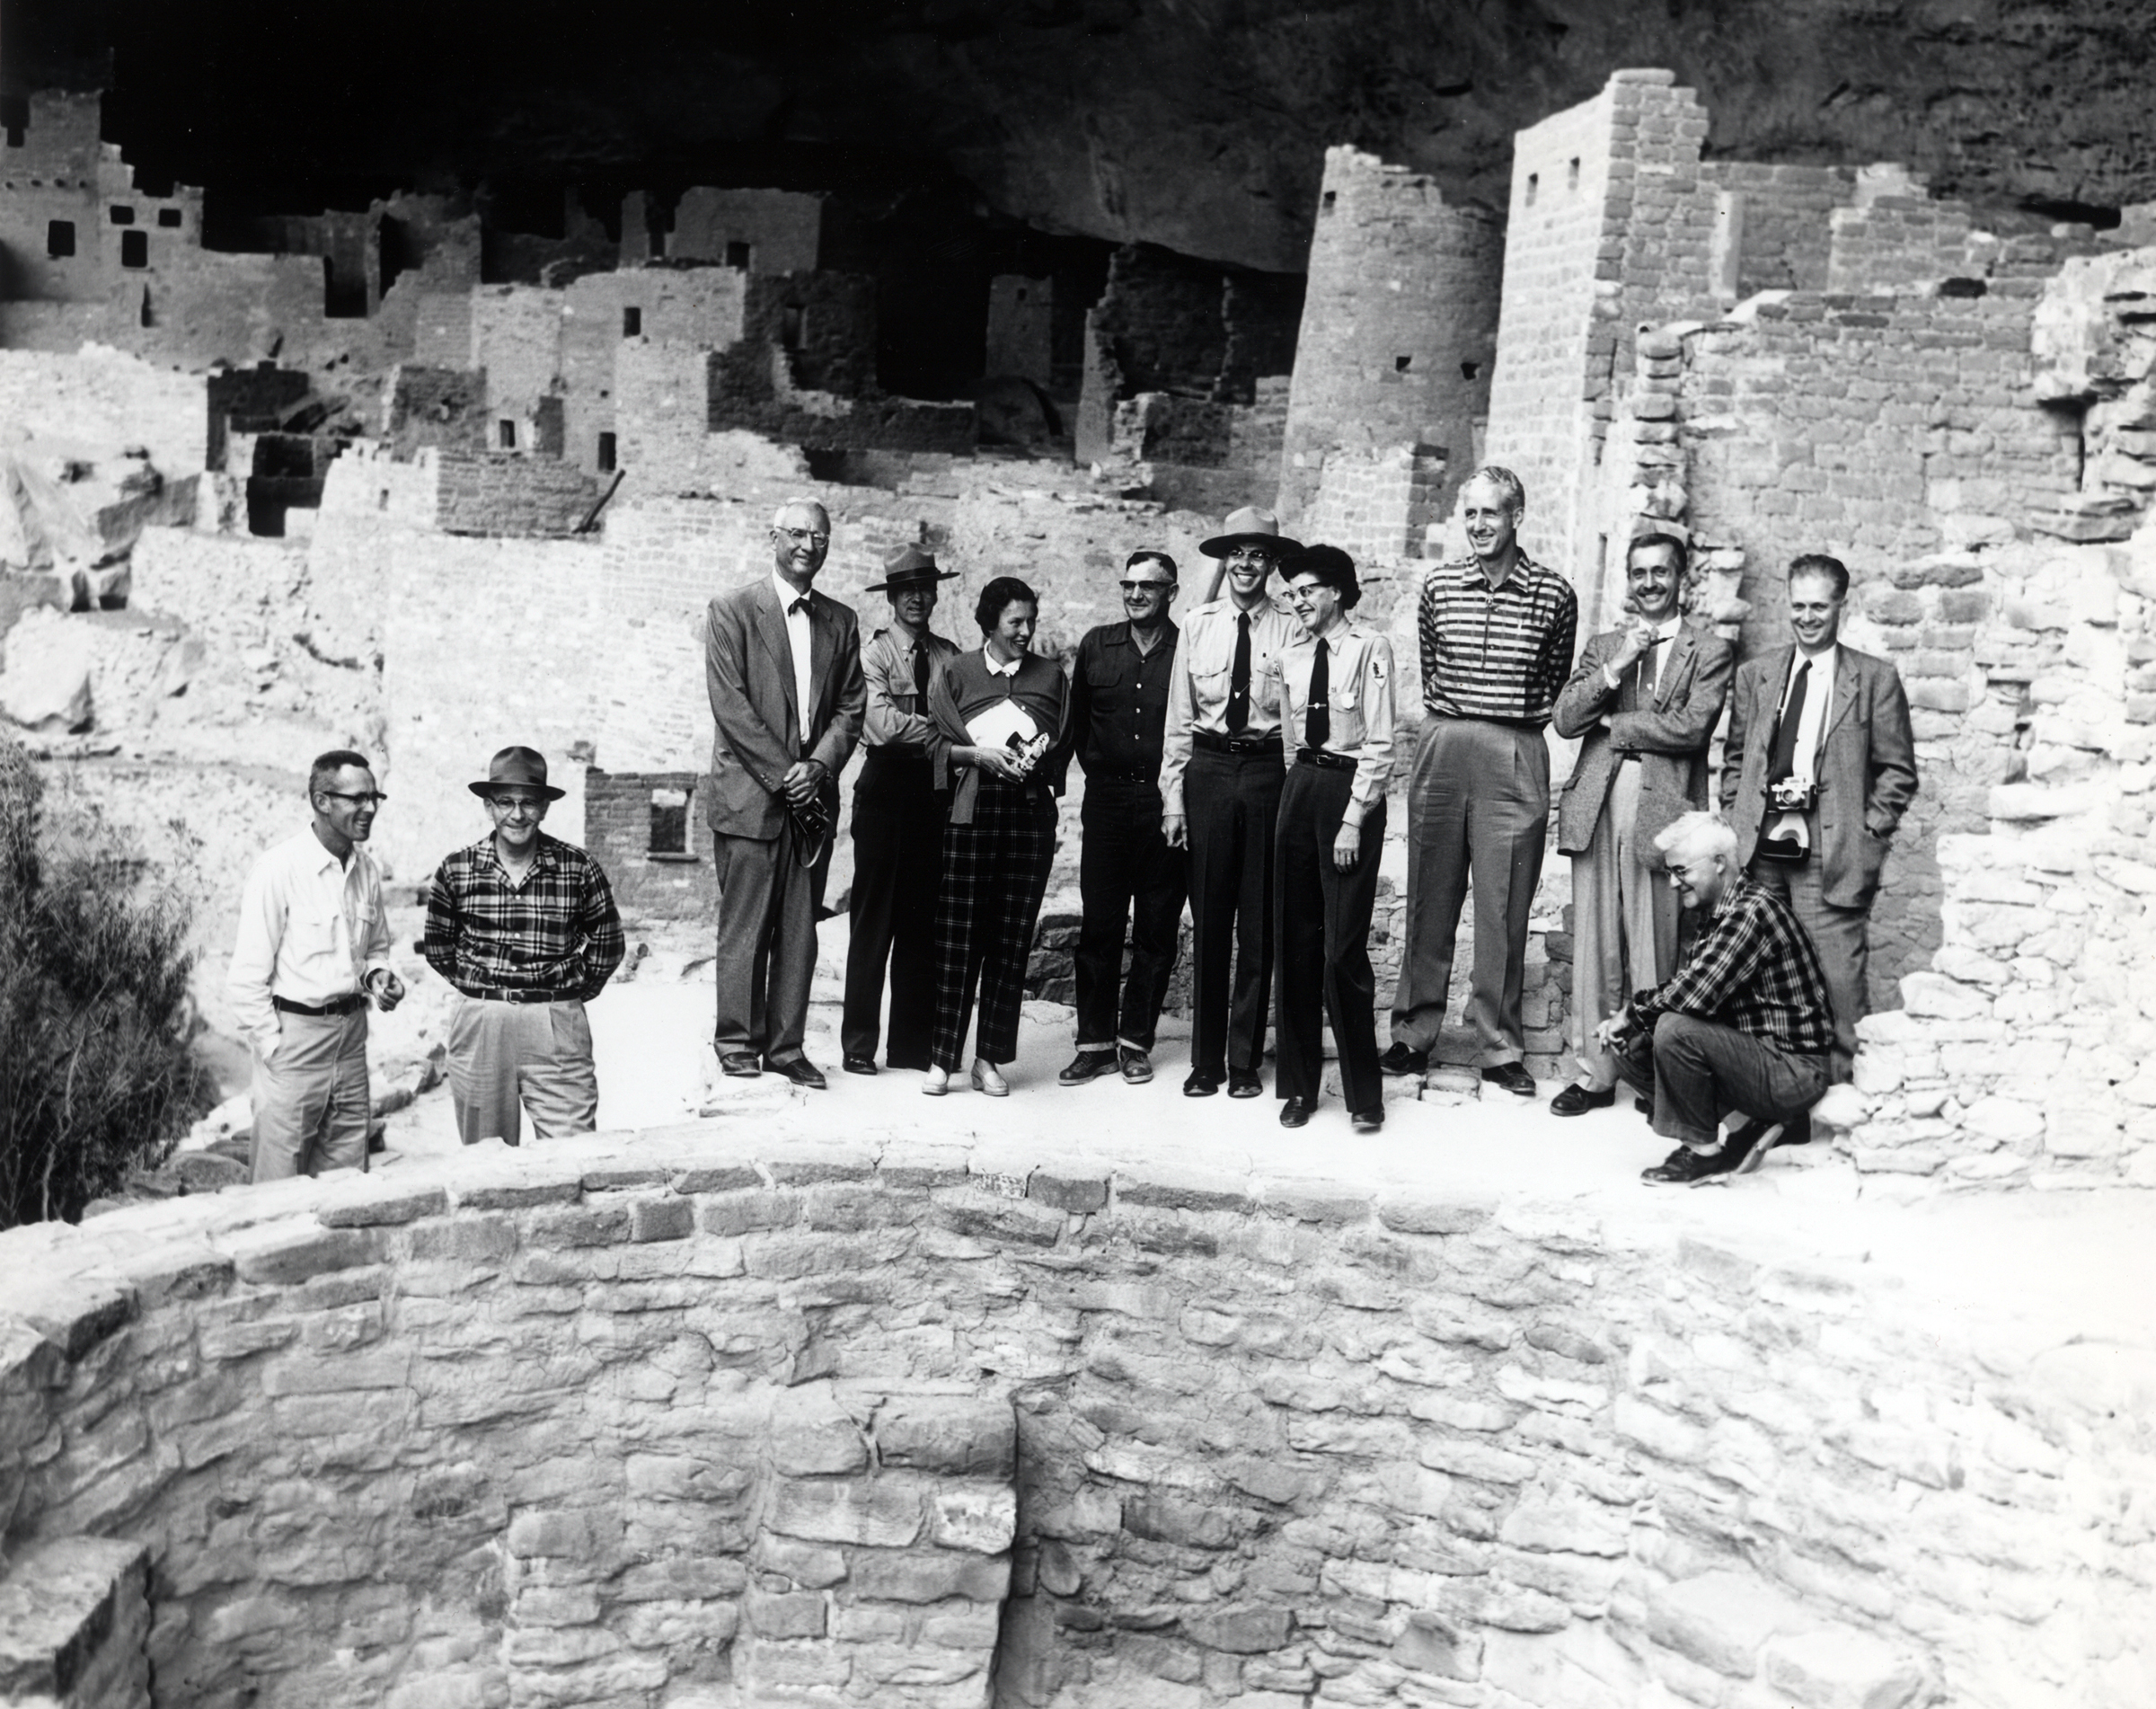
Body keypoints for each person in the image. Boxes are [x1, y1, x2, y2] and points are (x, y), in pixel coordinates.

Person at [1383, 466, 1577, 1097]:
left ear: (1517, 516)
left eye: (1490, 513)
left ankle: (1498, 1046)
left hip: (1515, 747)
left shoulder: (1553, 593)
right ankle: (1414, 1032)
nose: (1478, 526)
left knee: (1505, 903)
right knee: (1430, 894)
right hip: (1445, 743)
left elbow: (1553, 678)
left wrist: (1509, 728)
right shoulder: (1439, 586)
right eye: (1469, 514)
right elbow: (1432, 660)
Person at [1549, 532, 1734, 1115]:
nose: (1649, 582)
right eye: (1639, 572)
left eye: (1661, 571)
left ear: (1682, 579)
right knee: (1596, 942)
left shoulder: (1709, 649)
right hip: (1597, 803)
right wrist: (1617, 666)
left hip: (1663, 806)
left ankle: (1658, 1074)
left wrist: (1619, 726)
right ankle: (1596, 1074)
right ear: (1628, 579)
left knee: (1656, 943)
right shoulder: (1606, 644)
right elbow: (1566, 719)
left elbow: (1693, 727)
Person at [1721, 553, 1917, 1082]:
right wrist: (1736, 821)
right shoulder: (1757, 675)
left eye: (1819, 607)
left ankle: (1840, 1104)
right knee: (1761, 977)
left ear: (1840, 607)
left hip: (1829, 853)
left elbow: (1898, 773)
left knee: (1837, 984)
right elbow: (1738, 759)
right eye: (1798, 606)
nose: (1807, 617)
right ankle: (1772, 1096)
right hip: (1761, 853)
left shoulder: (1874, 680)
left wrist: (1867, 835)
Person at [702, 498, 867, 1091]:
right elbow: (731, 708)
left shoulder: (841, 622)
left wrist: (818, 767)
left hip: (812, 803)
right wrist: (787, 773)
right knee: (745, 925)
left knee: (800, 927)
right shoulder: (732, 611)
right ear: (773, 537)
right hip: (751, 797)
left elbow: (851, 708)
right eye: (796, 534)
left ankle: (787, 1046)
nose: (807, 545)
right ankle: (737, 1042)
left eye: (819, 537)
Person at [1598, 811, 1834, 1184]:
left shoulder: (1750, 911)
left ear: (1719, 863)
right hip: (1760, 1058)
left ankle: (1704, 1154)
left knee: (1673, 1027)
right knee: (1631, 1040)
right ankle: (1747, 1126)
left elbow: (1693, 996)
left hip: (1795, 1072)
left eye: (1681, 871)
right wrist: (1632, 1022)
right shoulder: (1719, 913)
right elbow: (1693, 994)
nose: (1674, 884)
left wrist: (1631, 1010)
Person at [1158, 506, 1303, 1098]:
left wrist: (1294, 795)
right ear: (1226, 560)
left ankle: (1244, 1060)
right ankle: (1206, 1061)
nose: (1246, 564)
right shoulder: (1198, 624)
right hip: (1210, 770)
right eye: (1237, 554)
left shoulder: (1292, 628)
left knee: (1259, 922)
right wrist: (1173, 797)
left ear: (1271, 564)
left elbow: (1296, 722)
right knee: (1211, 920)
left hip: (1267, 771)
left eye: (1258, 554)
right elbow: (1178, 717)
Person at [420, 746, 625, 1147]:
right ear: (488, 806)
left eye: (529, 803)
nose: (517, 815)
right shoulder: (457, 869)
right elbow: (438, 947)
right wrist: (481, 992)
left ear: (544, 808)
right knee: (487, 1160)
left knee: (574, 1149)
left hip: (555, 1022)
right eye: (506, 803)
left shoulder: (577, 867)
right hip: (482, 1021)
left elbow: (608, 944)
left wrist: (565, 996)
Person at [921, 575, 1072, 1096]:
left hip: (1028, 817)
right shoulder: (957, 673)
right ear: (990, 623)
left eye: (1031, 621)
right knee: (959, 932)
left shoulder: (1050, 676)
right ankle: (943, 1058)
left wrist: (1039, 759)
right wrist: (977, 756)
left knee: (1011, 936)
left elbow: (1064, 742)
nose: (1026, 631)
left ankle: (989, 1059)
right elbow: (935, 745)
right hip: (971, 812)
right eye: (1015, 622)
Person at [227, 749, 404, 1182]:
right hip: (295, 1041)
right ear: (322, 801)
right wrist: (275, 1050)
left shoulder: (366, 870)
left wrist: (378, 976)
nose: (369, 809)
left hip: (350, 1044)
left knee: (346, 1179)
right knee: (277, 1183)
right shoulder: (278, 869)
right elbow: (245, 980)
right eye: (357, 799)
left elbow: (374, 947)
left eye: (374, 798)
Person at [1270, 546, 1395, 1134]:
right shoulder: (1290, 654)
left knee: (1341, 949)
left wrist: (1352, 818)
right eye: (1291, 593)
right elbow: (1291, 740)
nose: (1298, 602)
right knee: (1294, 943)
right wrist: (1292, 803)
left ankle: (1363, 1096)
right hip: (1303, 789)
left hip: (1352, 796)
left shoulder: (1370, 648)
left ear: (1339, 591)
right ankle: (1298, 1088)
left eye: (1309, 590)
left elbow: (1380, 743)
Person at [1061, 550, 1187, 1088]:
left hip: (1167, 805)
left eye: (1148, 587)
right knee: (1101, 926)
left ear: (1171, 592)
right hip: (1107, 803)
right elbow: (1075, 721)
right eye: (1128, 585)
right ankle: (1094, 1046)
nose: (1135, 595)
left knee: (1157, 929)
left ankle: (1136, 1043)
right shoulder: (1096, 644)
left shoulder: (1188, 650)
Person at [840, 544, 961, 1076]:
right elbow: (881, 727)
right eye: (906, 590)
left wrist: (942, 739)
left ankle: (911, 1046)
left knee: (921, 923)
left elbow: (969, 714)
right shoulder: (874, 654)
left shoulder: (950, 655)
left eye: (925, 588)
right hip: (886, 792)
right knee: (873, 922)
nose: (917, 598)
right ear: (891, 598)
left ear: (935, 593)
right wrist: (943, 732)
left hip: (934, 792)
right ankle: (859, 1045)